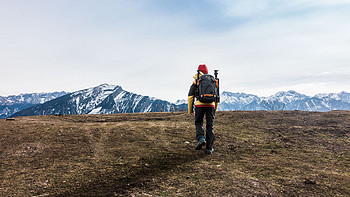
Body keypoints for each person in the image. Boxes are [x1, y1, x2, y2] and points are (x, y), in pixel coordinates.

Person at [188, 64, 219, 154]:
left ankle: (201, 137)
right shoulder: (213, 80)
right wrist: (215, 109)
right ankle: (209, 148)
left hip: (199, 105)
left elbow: (190, 96)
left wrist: (190, 110)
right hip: (211, 105)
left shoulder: (196, 81)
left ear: (198, 71)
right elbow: (217, 96)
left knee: (198, 122)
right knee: (210, 126)